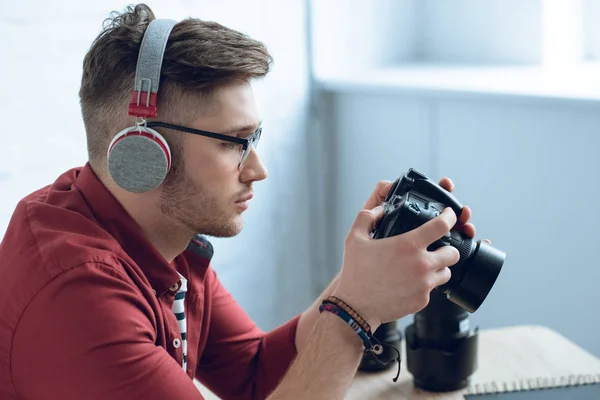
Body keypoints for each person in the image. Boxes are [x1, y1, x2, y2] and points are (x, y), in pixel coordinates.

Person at [0, 4, 478, 400]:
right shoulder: (79, 296)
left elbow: (252, 374)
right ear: (141, 154)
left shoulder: (164, 236)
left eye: (255, 138)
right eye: (233, 142)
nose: (258, 169)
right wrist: (356, 310)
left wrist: (369, 275)